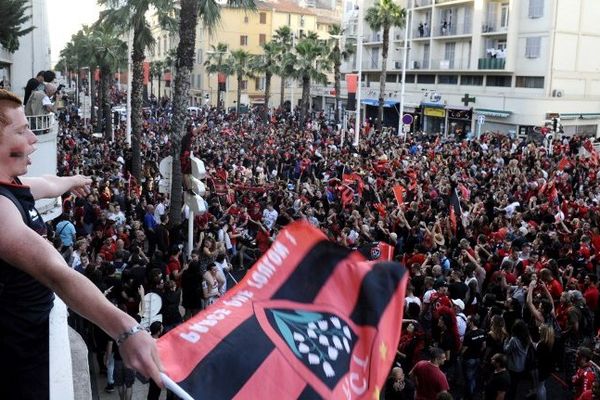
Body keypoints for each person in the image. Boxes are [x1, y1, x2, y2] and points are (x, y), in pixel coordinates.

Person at [0, 89, 161, 399]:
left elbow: (48, 184)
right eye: (21, 130)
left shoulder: (14, 185)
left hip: (34, 341)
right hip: (20, 365)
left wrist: (75, 180)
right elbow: (55, 272)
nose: (34, 138)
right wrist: (126, 330)